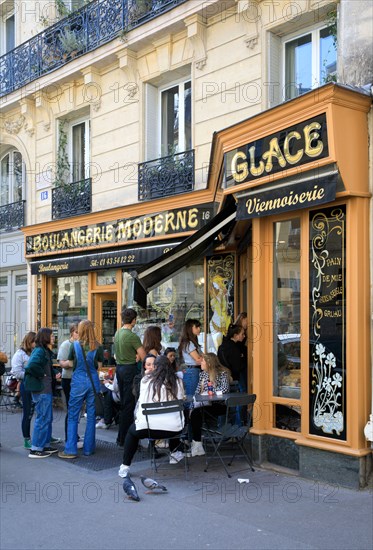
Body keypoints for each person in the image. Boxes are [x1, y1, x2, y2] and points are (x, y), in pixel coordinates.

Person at [118, 355, 185, 478]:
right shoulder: (178, 382)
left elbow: (141, 402)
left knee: (131, 433)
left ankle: (125, 466)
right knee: (174, 416)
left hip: (148, 428)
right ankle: (174, 453)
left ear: (155, 367)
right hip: (174, 429)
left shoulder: (146, 381)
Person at [58, 320, 104, 459]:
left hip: (78, 381)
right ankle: (89, 449)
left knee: (73, 415)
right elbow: (99, 367)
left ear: (81, 330)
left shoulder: (75, 345)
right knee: (91, 416)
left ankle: (70, 449)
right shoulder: (98, 347)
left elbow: (71, 363)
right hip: (92, 382)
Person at [24, 328, 61, 458]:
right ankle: (36, 449)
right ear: (45, 337)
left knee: (47, 418)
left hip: (45, 389)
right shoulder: (40, 351)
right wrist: (43, 374)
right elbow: (31, 366)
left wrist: (54, 373)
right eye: (51, 336)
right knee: (43, 418)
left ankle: (44, 445)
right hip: (42, 390)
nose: (53, 338)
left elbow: (44, 367)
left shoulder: (43, 350)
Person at [114, 307, 146, 447]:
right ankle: (126, 439)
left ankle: (121, 437)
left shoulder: (117, 333)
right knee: (129, 405)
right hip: (129, 370)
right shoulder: (132, 336)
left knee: (124, 404)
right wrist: (138, 356)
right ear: (134, 320)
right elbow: (144, 356)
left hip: (119, 368)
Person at [189, 353, 231, 457]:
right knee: (189, 413)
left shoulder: (222, 373)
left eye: (202, 361)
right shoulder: (203, 374)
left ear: (209, 363)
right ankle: (192, 443)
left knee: (195, 414)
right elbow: (197, 392)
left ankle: (197, 444)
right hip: (203, 405)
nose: (200, 363)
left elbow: (225, 389)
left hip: (219, 405)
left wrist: (209, 393)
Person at [10, 331, 36, 448]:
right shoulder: (19, 354)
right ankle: (27, 439)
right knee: (28, 413)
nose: (36, 344)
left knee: (42, 413)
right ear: (29, 341)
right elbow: (16, 372)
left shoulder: (35, 352)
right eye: (34, 341)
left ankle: (46, 436)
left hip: (37, 386)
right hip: (27, 385)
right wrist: (31, 374)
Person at [57, 323, 81, 444]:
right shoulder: (66, 345)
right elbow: (62, 363)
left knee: (77, 409)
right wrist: (72, 363)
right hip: (69, 379)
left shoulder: (81, 344)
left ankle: (74, 434)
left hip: (79, 379)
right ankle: (69, 436)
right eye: (76, 332)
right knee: (71, 408)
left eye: (80, 332)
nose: (78, 334)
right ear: (72, 332)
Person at [178, 319, 202, 399]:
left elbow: (203, 357)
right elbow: (198, 359)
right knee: (191, 398)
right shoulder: (188, 343)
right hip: (192, 371)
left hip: (194, 371)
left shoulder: (192, 342)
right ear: (190, 328)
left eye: (199, 327)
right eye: (197, 327)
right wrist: (203, 358)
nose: (199, 329)